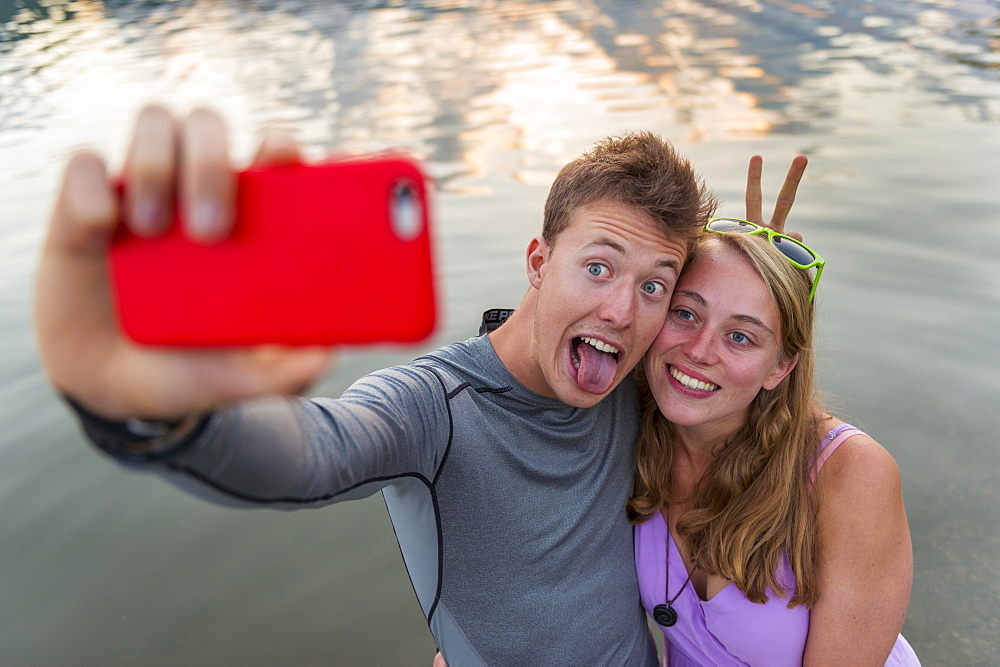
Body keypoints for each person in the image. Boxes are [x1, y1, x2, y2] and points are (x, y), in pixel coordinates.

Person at [34, 105, 803, 664]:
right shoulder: (433, 409)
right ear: (538, 262)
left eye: (654, 286)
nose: (621, 310)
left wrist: (760, 281)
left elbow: (745, 397)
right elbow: (317, 450)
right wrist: (154, 415)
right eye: (598, 266)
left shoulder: (639, 383)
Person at [630, 224, 919, 664]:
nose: (700, 351)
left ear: (780, 368)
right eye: (686, 313)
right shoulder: (627, 424)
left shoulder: (849, 473)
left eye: (741, 336)